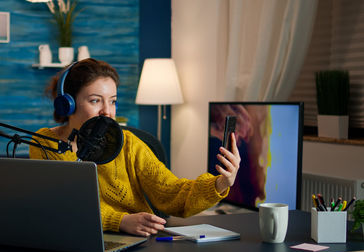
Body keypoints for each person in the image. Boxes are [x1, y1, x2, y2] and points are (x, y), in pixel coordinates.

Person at [29, 58, 241, 237]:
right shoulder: (45, 144)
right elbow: (64, 205)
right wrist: (120, 221)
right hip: (75, 242)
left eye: (112, 101)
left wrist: (221, 183)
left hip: (137, 243)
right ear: (68, 104)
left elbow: (172, 194)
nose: (107, 112)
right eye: (95, 101)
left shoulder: (129, 143)